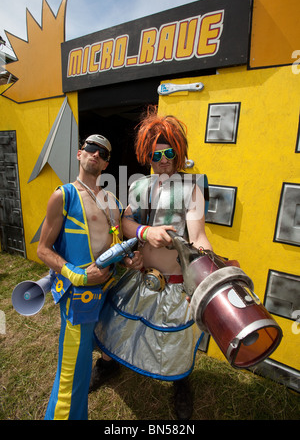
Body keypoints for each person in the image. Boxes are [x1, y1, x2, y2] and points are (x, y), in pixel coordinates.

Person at [93, 108, 213, 420]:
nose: (162, 160)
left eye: (169, 152)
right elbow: (126, 221)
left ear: (180, 153)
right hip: (136, 275)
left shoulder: (191, 189)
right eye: (156, 154)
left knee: (177, 340)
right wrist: (146, 232)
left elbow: (198, 235)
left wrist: (204, 271)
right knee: (115, 324)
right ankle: (107, 365)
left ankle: (180, 382)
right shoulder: (139, 185)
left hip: (174, 282)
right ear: (148, 155)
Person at [37, 134, 142, 420]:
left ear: (107, 164)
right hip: (80, 297)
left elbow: (116, 242)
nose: (96, 154)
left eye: (103, 153)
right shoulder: (64, 195)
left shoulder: (112, 200)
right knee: (73, 372)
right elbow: (43, 250)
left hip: (109, 290)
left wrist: (129, 260)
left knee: (97, 353)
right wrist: (80, 276)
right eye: (91, 148)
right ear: (79, 154)